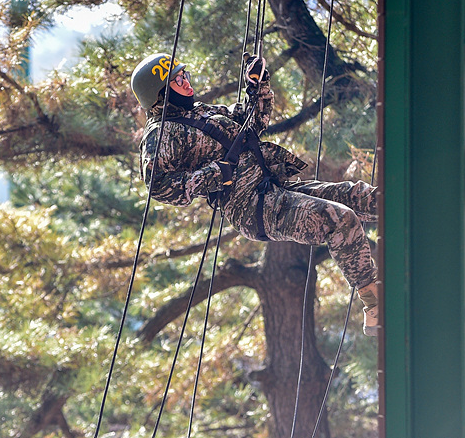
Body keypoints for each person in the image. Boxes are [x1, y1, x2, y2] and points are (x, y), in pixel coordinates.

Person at [131, 52, 379, 336]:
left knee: (357, 196)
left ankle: (418, 211)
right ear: (160, 95)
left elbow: (251, 125)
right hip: (252, 207)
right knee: (337, 218)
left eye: (184, 75)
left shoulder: (201, 112)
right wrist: (213, 174)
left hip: (272, 185)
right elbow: (159, 186)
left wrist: (257, 86)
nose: (186, 84)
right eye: (177, 81)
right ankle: (373, 305)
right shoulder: (162, 134)